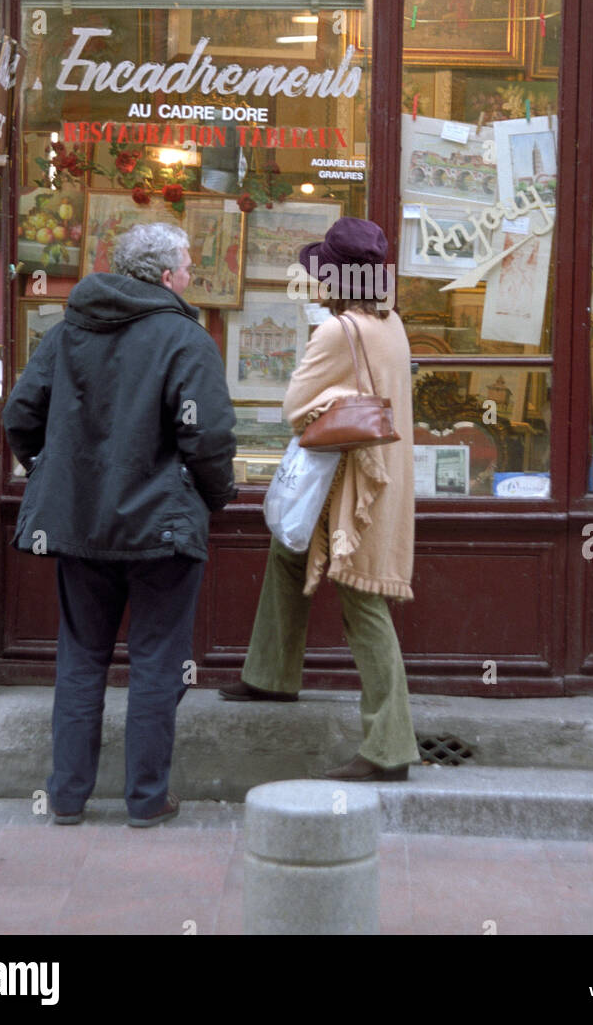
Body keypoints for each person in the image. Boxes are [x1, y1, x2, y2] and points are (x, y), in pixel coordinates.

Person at [2, 222, 237, 827]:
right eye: (187, 266)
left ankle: (67, 796)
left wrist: (53, 473)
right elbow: (207, 435)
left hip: (80, 523)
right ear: (165, 276)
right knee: (158, 662)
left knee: (81, 657)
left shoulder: (69, 330)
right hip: (161, 530)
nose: (190, 276)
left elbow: (21, 416)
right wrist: (213, 496)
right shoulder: (185, 338)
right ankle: (146, 800)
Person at [220, 216, 419, 782]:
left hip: (353, 484)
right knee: (288, 553)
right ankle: (269, 674)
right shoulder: (393, 323)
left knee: (362, 602)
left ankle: (390, 747)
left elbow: (293, 407)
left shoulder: (338, 332)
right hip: (377, 476)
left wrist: (327, 384)